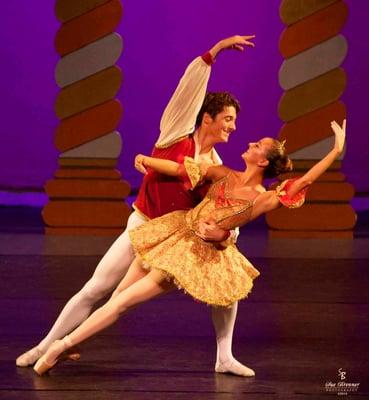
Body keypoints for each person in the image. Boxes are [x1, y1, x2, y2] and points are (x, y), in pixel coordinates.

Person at [17, 34, 257, 376]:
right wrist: (215, 51)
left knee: (224, 284)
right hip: (142, 226)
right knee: (97, 290)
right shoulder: (176, 133)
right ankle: (47, 345)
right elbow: (188, 89)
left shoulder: (215, 162)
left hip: (171, 240)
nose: (233, 126)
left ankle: (224, 356)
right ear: (207, 118)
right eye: (228, 119)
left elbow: (221, 207)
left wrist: (228, 233)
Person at [33, 120, 346, 377]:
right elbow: (182, 169)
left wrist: (334, 151)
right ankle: (66, 345)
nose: (249, 144)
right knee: (117, 300)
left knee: (124, 302)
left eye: (256, 146)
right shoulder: (225, 174)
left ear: (263, 160)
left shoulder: (261, 197)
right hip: (175, 233)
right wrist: (146, 159)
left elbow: (301, 183)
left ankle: (59, 347)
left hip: (194, 256)